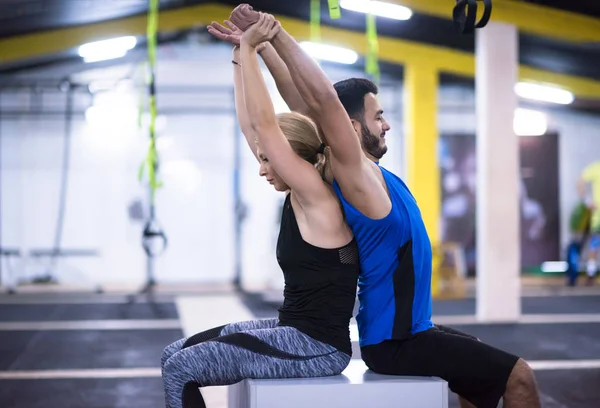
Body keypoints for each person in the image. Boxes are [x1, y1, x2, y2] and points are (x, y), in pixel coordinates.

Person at [230, 5, 541, 408]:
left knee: (476, 370)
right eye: (379, 116)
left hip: (410, 329)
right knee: (519, 377)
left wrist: (265, 42)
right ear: (352, 127)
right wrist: (276, 33)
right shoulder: (356, 176)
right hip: (395, 340)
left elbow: (307, 102)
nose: (387, 124)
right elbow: (322, 100)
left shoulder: (378, 174)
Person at [161, 15, 360, 408]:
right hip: (293, 331)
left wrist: (254, 50)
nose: (261, 167)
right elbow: (253, 126)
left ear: (296, 160)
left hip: (318, 348)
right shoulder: (299, 192)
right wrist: (239, 55)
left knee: (181, 369)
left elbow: (267, 127)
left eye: (269, 160)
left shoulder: (316, 197)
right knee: (173, 353)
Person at [578, 160, 600, 285]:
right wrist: (587, 201)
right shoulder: (596, 168)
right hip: (598, 217)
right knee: (594, 244)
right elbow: (580, 180)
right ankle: (590, 273)